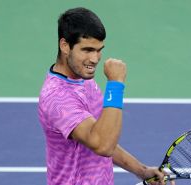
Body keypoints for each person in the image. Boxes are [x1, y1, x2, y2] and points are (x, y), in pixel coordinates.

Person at [38, 7, 175, 185]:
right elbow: (103, 144)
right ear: (65, 46)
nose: (95, 59)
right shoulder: (56, 97)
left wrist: (141, 171)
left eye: (98, 50)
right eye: (87, 50)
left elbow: (102, 135)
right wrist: (116, 84)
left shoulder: (83, 78)